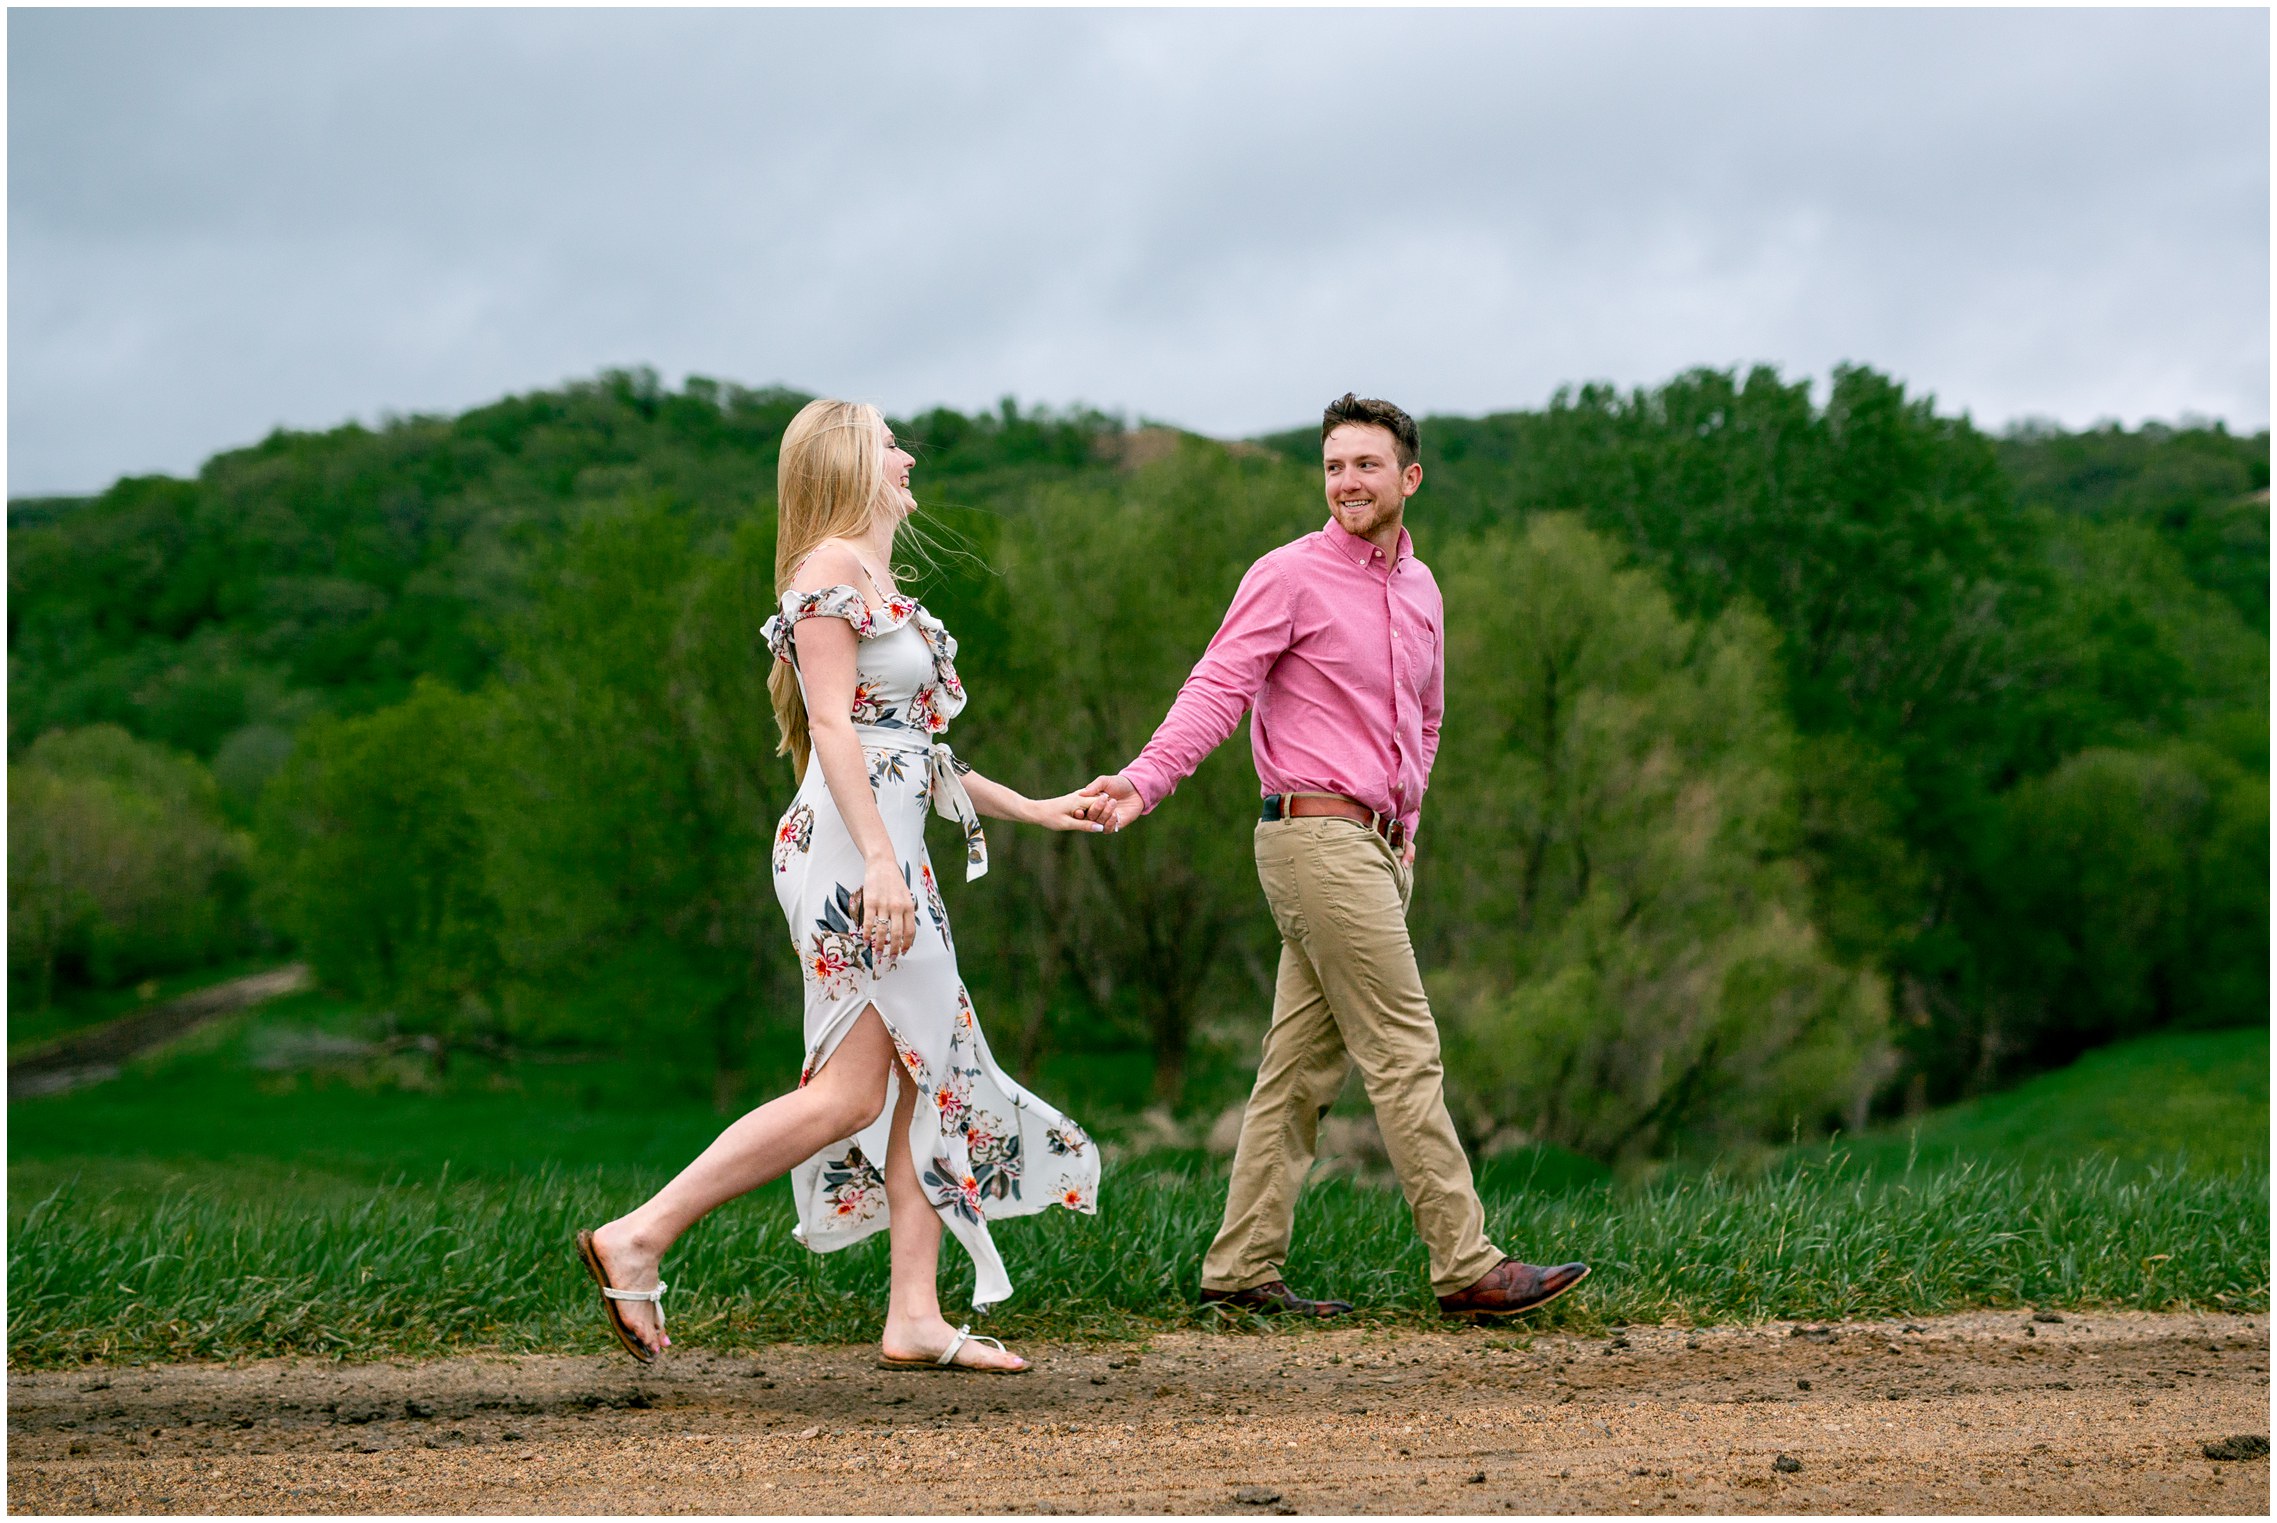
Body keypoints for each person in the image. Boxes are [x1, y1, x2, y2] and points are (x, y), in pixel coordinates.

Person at [578, 399, 1106, 1372]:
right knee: (850, 1090)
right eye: (889, 442)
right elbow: (832, 731)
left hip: (888, 850)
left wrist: (1038, 807)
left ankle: (914, 1313)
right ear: (851, 463)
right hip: (849, 856)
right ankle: (640, 1233)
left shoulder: (874, 580)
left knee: (918, 1077)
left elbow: (912, 749)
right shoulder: (826, 571)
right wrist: (876, 862)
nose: (907, 457)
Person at [1079, 393, 1589, 1321]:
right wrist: (1145, 779)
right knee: (1403, 1045)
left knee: (1299, 1068)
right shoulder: (1287, 576)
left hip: (1377, 845)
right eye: (1332, 465)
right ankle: (1467, 1264)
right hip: (1311, 834)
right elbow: (1217, 686)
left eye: (1365, 465)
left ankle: (1238, 1269)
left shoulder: (1422, 589)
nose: (1347, 481)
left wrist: (1409, 823)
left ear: (1409, 477)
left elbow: (1425, 717)